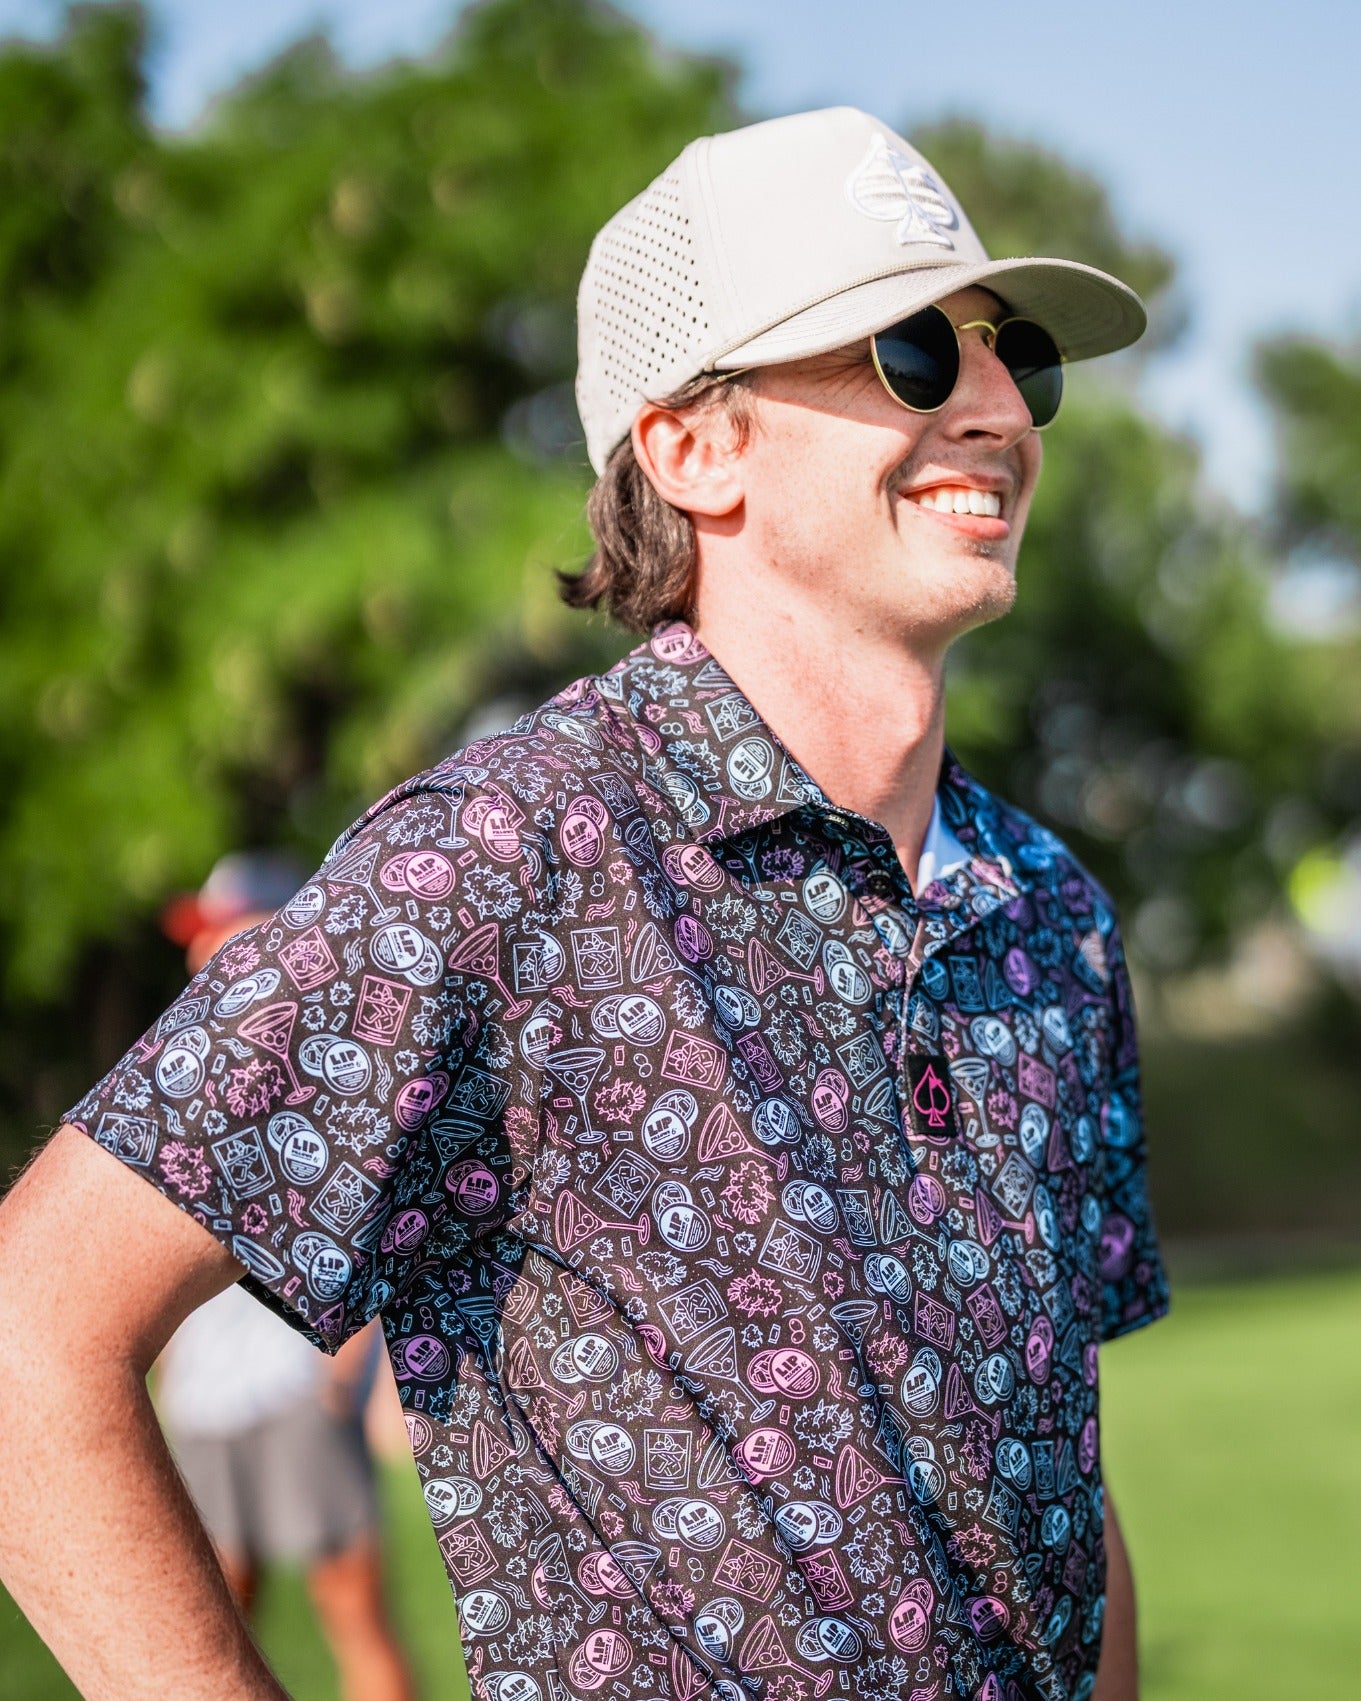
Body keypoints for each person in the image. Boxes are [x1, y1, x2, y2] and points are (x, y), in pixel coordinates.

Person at [0, 106, 1167, 1701]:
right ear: (692, 444)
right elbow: (25, 1338)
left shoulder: (1048, 911)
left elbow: (1059, 1470)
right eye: (908, 352)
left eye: (1009, 355)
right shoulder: (503, 854)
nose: (993, 408)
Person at [154, 854, 415, 1701]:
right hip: (203, 1403)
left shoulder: (342, 1065)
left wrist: (348, 1373)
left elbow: (386, 1216)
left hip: (294, 1383)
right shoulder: (175, 1063)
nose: (203, 958)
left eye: (221, 930)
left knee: (351, 1610)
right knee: (209, 1623)